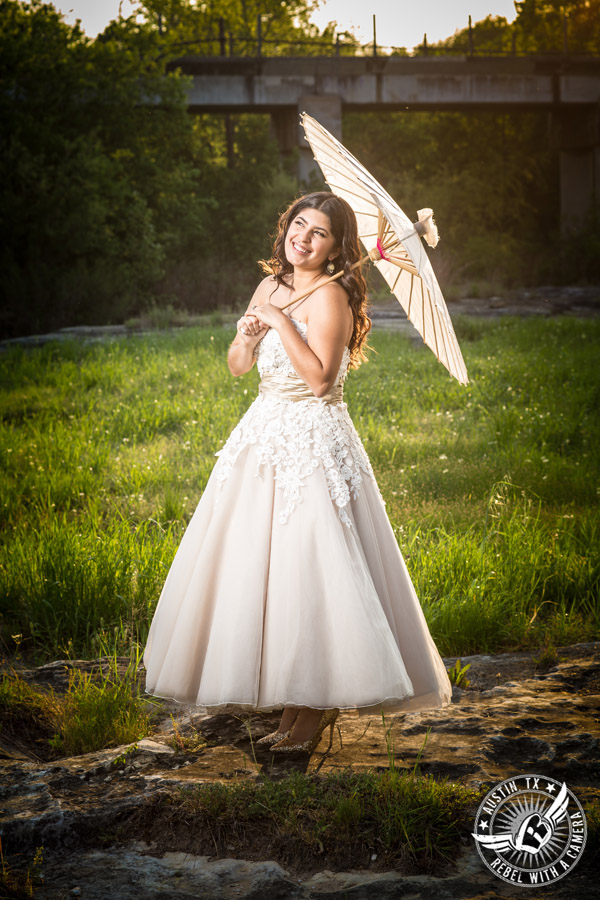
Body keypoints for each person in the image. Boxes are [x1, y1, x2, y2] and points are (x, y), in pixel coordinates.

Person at [143, 191, 452, 754]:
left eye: (319, 234)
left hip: (313, 440)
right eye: (298, 225)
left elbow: (319, 381)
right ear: (286, 227)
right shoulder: (270, 285)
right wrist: (247, 334)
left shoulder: (331, 297)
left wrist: (283, 324)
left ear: (337, 250)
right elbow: (240, 368)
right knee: (268, 572)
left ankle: (312, 711)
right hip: (263, 435)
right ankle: (290, 711)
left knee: (311, 568)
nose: (302, 238)